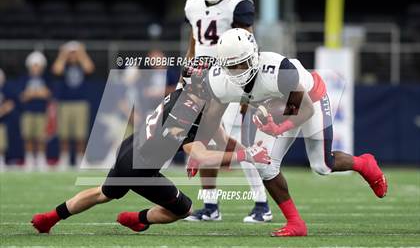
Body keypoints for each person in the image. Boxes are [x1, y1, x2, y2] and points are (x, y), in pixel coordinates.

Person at [192, 28, 388, 236]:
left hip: (310, 99)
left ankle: (364, 163)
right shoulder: (219, 82)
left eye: (242, 62)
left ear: (254, 56)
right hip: (272, 110)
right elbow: (212, 118)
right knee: (264, 164)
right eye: (231, 65)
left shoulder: (278, 70)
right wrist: (199, 149)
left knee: (323, 165)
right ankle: (296, 223)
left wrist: (281, 127)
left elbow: (305, 109)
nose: (238, 70)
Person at [31, 66, 270, 234]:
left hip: (130, 150)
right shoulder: (184, 112)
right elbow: (200, 155)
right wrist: (245, 155)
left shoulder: (186, 97)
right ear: (199, 87)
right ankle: (136, 218)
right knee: (183, 209)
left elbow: (219, 135)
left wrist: (247, 151)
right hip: (140, 167)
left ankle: (48, 219)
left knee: (102, 193)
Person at [182, 0, 271, 222]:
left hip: (230, 79)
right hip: (203, 82)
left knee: (233, 141)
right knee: (206, 140)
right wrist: (188, 67)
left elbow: (249, 45)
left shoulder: (237, 6)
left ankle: (262, 203)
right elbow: (195, 40)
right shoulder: (192, 5)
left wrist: (249, 88)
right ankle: (210, 206)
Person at [51, 41, 95, 169]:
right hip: (65, 103)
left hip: (80, 103)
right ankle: (64, 160)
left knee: (80, 134)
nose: (73, 56)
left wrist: (81, 53)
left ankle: (81, 160)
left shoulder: (82, 65)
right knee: (64, 134)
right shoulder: (64, 66)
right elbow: (56, 69)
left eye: (74, 53)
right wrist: (63, 54)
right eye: (71, 54)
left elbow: (89, 68)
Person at [17, 51, 51, 170]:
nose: (36, 68)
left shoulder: (46, 78)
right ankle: (29, 159)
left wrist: (33, 93)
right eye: (34, 65)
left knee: (41, 137)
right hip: (28, 112)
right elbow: (22, 96)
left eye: (38, 65)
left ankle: (41, 159)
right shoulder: (24, 78)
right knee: (28, 136)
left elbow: (48, 94)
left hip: (41, 112)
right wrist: (37, 93)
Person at [0, 69, 14, 170]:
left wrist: (2, 111)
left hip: (2, 120)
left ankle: (1, 160)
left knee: (2, 142)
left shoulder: (5, 90)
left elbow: (10, 104)